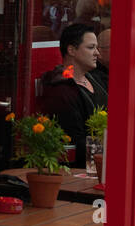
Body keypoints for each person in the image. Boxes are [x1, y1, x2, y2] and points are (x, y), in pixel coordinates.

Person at [37, 23, 107, 168]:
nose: (97, 53)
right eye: (91, 47)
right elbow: (76, 142)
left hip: (102, 163)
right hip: (84, 171)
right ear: (71, 50)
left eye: (97, 48)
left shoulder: (97, 79)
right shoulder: (61, 92)